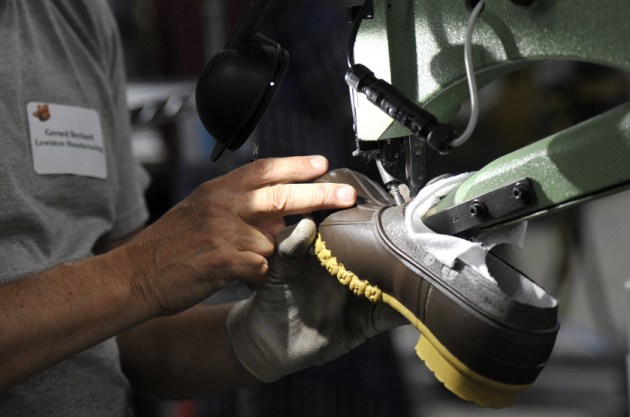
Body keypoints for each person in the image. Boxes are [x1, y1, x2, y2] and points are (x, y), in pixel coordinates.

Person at [0, 1, 401, 415]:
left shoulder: (72, 17)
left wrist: (261, 336)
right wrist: (142, 272)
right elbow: (128, 284)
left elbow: (120, 334)